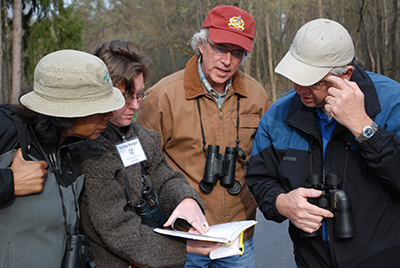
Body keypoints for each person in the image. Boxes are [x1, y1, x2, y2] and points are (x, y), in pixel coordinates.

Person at [245, 18, 400, 268]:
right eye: (296, 77)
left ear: (345, 74)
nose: (300, 89)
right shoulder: (278, 115)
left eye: (314, 81)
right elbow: (259, 178)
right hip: (311, 260)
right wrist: (281, 203)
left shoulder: (393, 102)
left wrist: (364, 127)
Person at [136, 5, 270, 267]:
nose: (227, 61)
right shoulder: (163, 96)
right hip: (182, 238)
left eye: (237, 53)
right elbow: (142, 166)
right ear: (201, 43)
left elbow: (264, 161)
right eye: (220, 49)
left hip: (237, 239)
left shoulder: (257, 96)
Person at [69, 39, 218, 268]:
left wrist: (185, 199)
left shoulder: (142, 137)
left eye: (139, 95)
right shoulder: (89, 149)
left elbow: (164, 177)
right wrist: (183, 247)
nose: (136, 106)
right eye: (126, 98)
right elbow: (116, 228)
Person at [0, 49, 125, 267]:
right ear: (65, 111)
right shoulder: (6, 129)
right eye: (99, 108)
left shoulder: (76, 145)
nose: (110, 115)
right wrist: (9, 182)